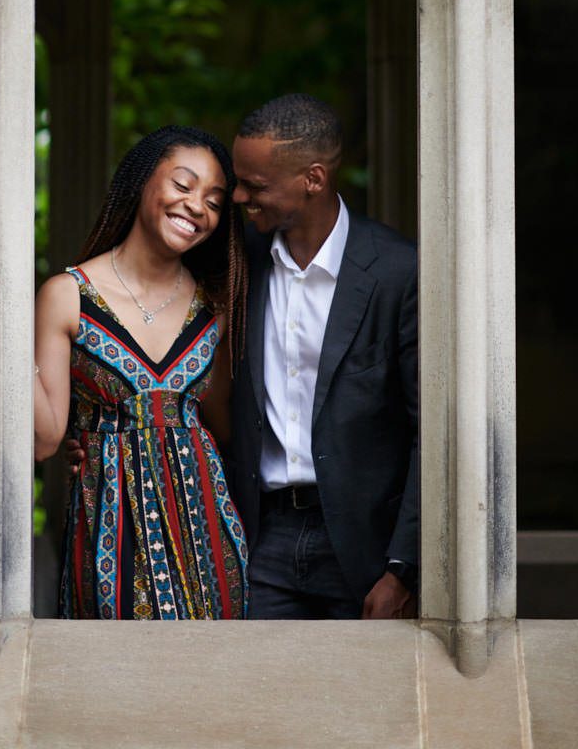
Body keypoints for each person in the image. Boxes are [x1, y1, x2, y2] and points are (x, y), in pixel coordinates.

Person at [34, 126, 248, 620]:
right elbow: (45, 440)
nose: (197, 206)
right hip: (110, 524)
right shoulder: (68, 296)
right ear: (141, 182)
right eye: (183, 184)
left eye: (215, 201)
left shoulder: (214, 307)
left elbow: (222, 426)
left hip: (208, 528)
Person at [228, 93, 418, 619]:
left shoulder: (398, 273)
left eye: (256, 185)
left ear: (313, 178)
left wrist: (403, 566)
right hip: (259, 542)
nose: (240, 196)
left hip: (362, 549)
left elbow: (431, 429)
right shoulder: (237, 264)